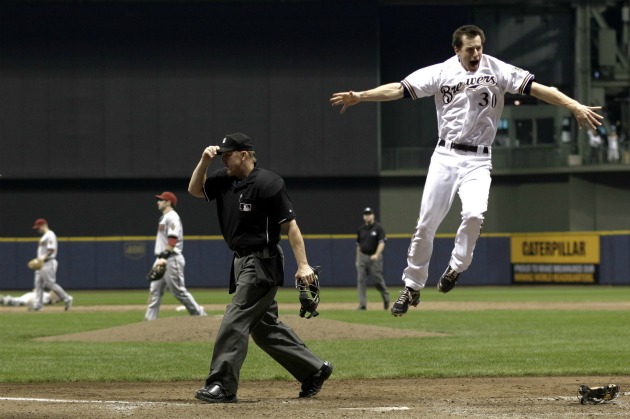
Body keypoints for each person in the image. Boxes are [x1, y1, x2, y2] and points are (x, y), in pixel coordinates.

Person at [330, 25, 603, 317]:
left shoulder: (497, 69)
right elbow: (399, 88)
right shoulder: (441, 71)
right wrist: (361, 95)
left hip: (479, 160)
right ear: (457, 49)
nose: (476, 53)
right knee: (425, 225)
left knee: (474, 214)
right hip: (445, 155)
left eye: (479, 47)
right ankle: (411, 287)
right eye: (470, 48)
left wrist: (572, 104)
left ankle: (457, 266)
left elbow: (538, 89)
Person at [188, 132, 332, 403]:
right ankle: (313, 370)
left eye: (227, 155)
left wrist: (303, 265)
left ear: (244, 154)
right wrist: (204, 162)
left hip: (262, 261)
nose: (224, 160)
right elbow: (195, 190)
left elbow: (291, 226)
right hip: (241, 261)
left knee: (236, 317)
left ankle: (222, 384)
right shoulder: (223, 180)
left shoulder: (269, 183)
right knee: (264, 328)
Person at [144, 191, 207, 321]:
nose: (158, 202)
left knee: (179, 292)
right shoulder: (164, 217)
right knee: (154, 291)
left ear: (168, 202)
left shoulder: (173, 217)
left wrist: (164, 257)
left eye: (161, 200)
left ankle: (200, 315)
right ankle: (149, 321)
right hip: (162, 258)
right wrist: (161, 258)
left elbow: (173, 238)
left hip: (171, 259)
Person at [31, 219, 73, 311]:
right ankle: (38, 305)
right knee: (38, 284)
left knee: (50, 284)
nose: (38, 229)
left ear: (44, 225)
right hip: (40, 264)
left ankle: (67, 298)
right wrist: (38, 260)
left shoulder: (50, 235)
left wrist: (42, 259)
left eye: (38, 227)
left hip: (47, 263)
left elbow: (51, 251)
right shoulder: (44, 236)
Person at [355, 207, 390, 310]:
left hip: (374, 257)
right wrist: (357, 259)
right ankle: (362, 304)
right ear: (363, 216)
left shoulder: (378, 228)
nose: (367, 215)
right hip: (362, 256)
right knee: (360, 280)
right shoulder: (360, 229)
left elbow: (382, 243)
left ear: (373, 215)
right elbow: (358, 246)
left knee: (377, 280)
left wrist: (376, 254)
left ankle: (386, 297)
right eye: (366, 214)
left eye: (369, 213)